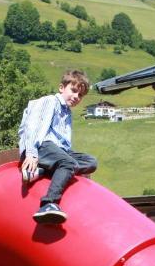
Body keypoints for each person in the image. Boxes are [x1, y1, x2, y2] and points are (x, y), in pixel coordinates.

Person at [18, 69, 98, 224]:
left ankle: (42, 170)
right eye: (73, 91)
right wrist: (31, 153)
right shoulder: (50, 101)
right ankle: (48, 204)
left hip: (57, 151)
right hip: (41, 145)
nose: (76, 97)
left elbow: (64, 144)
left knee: (91, 162)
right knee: (68, 163)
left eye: (80, 95)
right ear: (62, 88)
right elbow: (33, 127)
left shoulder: (67, 112)